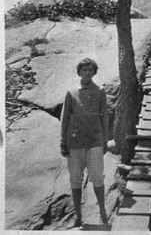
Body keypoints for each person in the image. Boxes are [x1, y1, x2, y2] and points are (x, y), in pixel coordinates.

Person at [60, 58, 109, 228]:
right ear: (79, 72)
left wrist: (105, 141)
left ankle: (103, 211)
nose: (87, 73)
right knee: (75, 179)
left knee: (97, 177)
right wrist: (62, 142)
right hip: (75, 142)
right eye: (84, 70)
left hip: (95, 142)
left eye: (90, 70)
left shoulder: (100, 91)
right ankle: (78, 216)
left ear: (94, 72)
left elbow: (105, 117)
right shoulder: (71, 92)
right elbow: (64, 118)